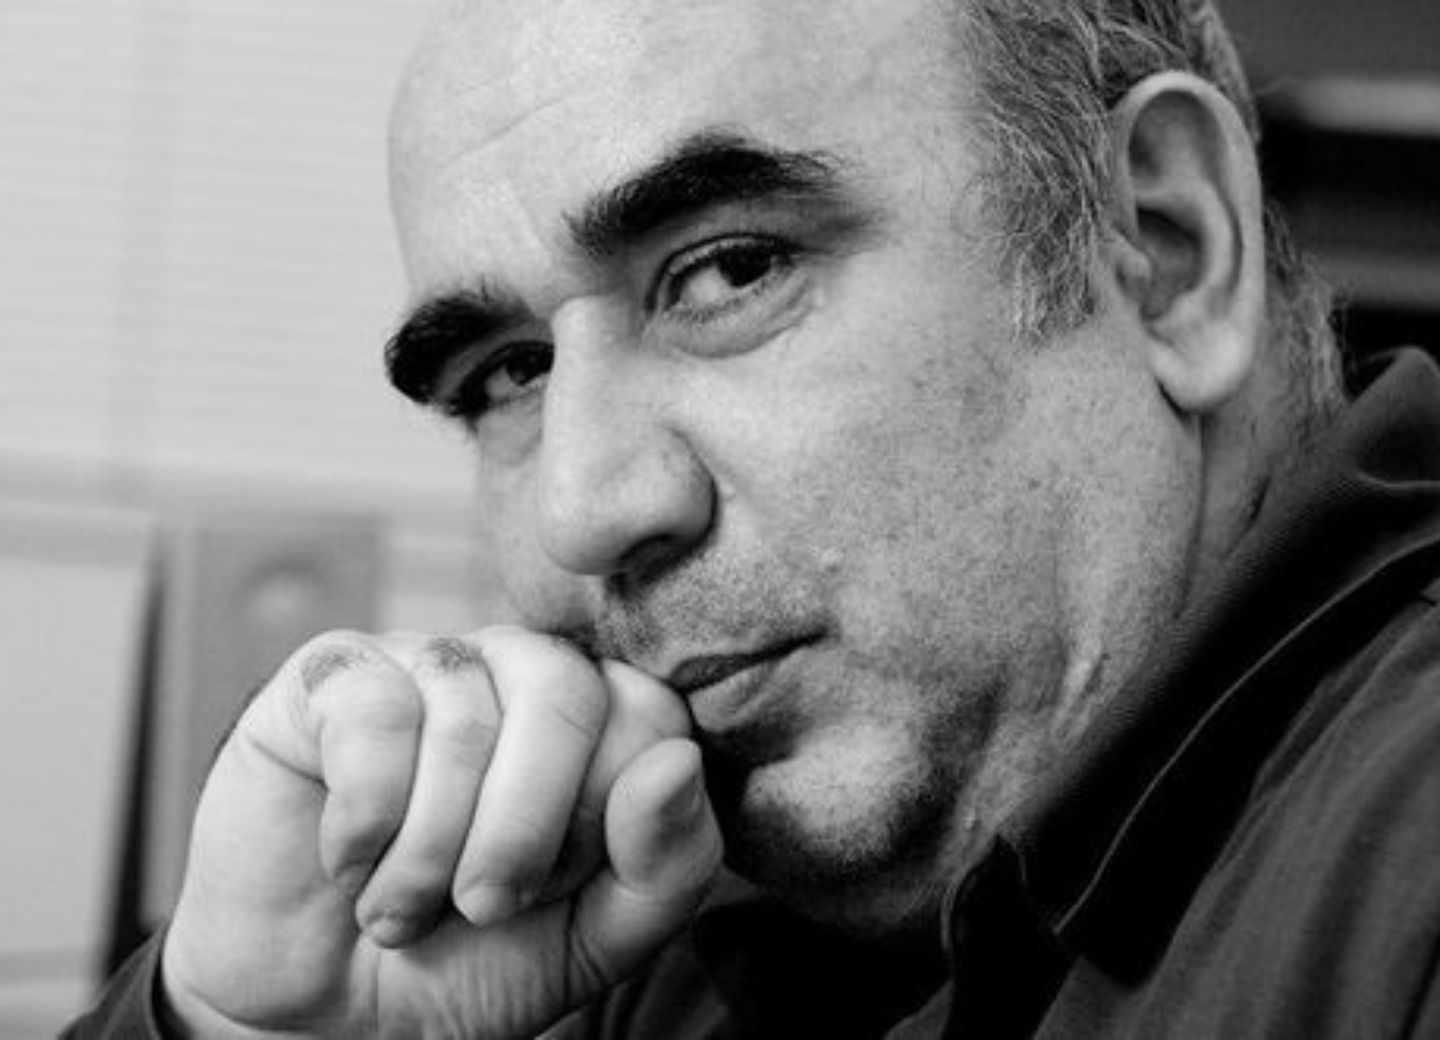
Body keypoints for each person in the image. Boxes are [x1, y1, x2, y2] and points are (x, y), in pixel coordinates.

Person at [69, 0, 1440, 1036]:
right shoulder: (620, 910)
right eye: (507, 375)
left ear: (1167, 250)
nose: (586, 509)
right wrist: (238, 1028)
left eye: (728, 272)